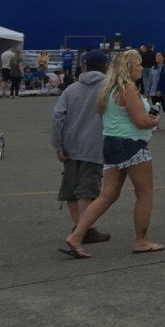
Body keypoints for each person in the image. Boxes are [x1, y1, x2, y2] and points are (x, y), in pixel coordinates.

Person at [61, 50, 164, 257]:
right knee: (144, 193)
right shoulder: (128, 89)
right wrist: (154, 120)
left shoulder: (108, 90)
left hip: (110, 143)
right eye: (138, 65)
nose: (141, 68)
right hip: (132, 144)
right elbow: (140, 121)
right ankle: (142, 240)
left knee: (108, 194)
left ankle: (77, 235)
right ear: (128, 68)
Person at [50, 50, 113, 246]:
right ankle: (84, 230)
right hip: (95, 145)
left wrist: (58, 145)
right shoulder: (110, 87)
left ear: (83, 67)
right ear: (105, 66)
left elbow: (58, 117)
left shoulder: (71, 89)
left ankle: (78, 225)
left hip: (71, 146)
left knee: (70, 189)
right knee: (87, 189)